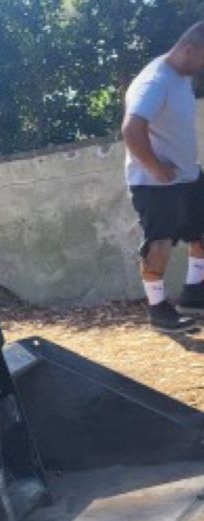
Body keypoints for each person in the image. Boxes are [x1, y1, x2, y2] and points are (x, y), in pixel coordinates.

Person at [122, 20, 204, 332]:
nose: (203, 67)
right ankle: (158, 310)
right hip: (155, 184)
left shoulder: (180, 76)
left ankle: (194, 294)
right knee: (160, 245)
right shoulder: (154, 81)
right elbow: (131, 128)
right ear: (189, 49)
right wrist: (155, 167)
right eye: (203, 59)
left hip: (188, 176)